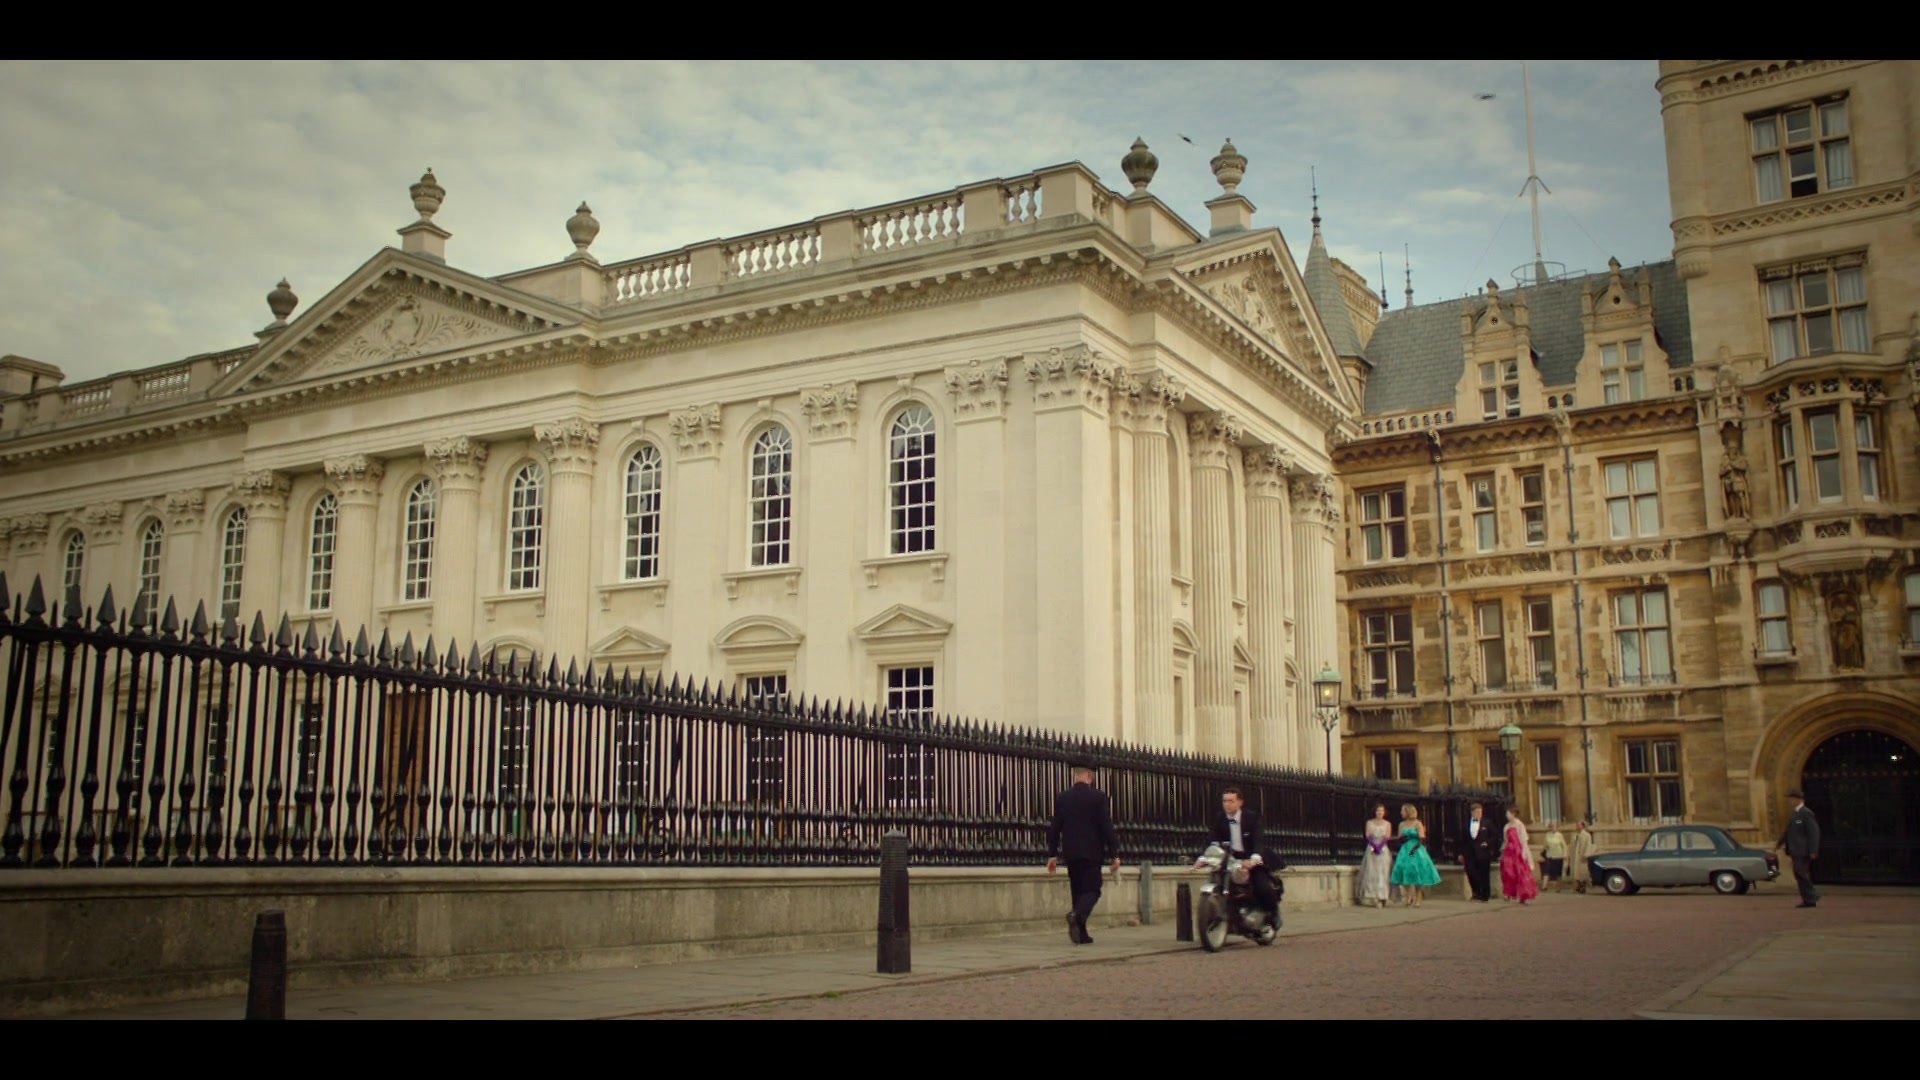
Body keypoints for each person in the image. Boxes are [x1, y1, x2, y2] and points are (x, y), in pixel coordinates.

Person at [1046, 761, 1122, 944]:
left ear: (1075, 775)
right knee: (1093, 890)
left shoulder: (1063, 797)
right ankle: (1076, 915)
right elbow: (1106, 826)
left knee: (1078, 891)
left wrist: (1052, 854)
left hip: (1070, 852)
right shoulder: (1098, 797)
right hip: (1091, 851)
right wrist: (1115, 853)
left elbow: (1055, 826)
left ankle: (1081, 933)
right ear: (1090, 775)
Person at [1205, 787, 1280, 937]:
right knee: (1218, 880)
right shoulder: (1219, 818)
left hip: (1250, 858)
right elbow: (1213, 840)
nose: (1227, 804)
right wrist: (1206, 856)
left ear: (1240, 802)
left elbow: (1259, 840)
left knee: (1262, 886)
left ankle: (1274, 913)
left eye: (1231, 801)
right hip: (1230, 859)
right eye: (1225, 801)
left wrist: (1254, 858)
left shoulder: (1252, 818)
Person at [1775, 788, 1822, 909]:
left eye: (1791, 799)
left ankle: (1811, 897)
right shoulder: (1795, 813)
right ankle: (1809, 897)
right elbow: (1788, 831)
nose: (1789, 801)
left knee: (1801, 873)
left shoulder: (1806, 813)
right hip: (1795, 850)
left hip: (1803, 850)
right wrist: (1780, 842)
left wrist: (1813, 850)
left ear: (1797, 799)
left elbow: (1814, 833)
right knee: (1799, 874)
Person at [1388, 803, 1441, 905]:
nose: (1401, 813)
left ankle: (1419, 896)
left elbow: (1422, 838)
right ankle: (1409, 895)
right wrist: (1401, 839)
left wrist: (1414, 849)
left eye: (1403, 811)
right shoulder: (1401, 824)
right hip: (1405, 850)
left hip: (1415, 850)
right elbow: (1399, 838)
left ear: (1408, 811)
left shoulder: (1417, 823)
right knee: (1404, 869)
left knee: (1416, 870)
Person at [1459, 802, 1498, 901]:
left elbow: (1494, 836)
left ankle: (1485, 895)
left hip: (1483, 852)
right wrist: (1461, 853)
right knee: (1471, 872)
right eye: (1477, 812)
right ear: (1472, 812)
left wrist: (1487, 843)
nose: (1479, 814)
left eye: (1480, 812)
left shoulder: (1487, 823)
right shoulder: (1466, 823)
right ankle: (1476, 892)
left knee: (1484, 874)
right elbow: (1461, 840)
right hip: (1470, 853)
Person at [1501, 808, 1540, 904]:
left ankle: (1524, 895)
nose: (1507, 816)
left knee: (1521, 873)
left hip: (1518, 851)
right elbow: (1505, 840)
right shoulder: (1506, 827)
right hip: (1509, 852)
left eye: (1508, 814)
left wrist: (1524, 851)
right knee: (1508, 872)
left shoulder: (1519, 824)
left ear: (1513, 814)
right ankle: (1509, 893)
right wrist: (1503, 851)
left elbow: (1523, 839)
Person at [1359, 803, 1394, 909]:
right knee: (1372, 872)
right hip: (1372, 848)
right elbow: (1368, 835)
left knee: (1383, 873)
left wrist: (1380, 846)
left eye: (1382, 811)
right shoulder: (1370, 822)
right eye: (1378, 810)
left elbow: (1387, 836)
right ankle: (1372, 895)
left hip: (1383, 849)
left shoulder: (1387, 824)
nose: (1380, 813)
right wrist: (1374, 845)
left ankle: (1382, 896)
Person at [1568, 820, 1595, 894]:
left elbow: (1588, 845)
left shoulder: (1587, 835)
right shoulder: (1574, 835)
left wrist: (1587, 854)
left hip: (1582, 855)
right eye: (1576, 825)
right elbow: (1571, 845)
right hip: (1575, 855)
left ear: (1582, 826)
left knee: (1583, 872)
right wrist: (1570, 854)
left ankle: (1583, 887)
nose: (1577, 826)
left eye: (1578, 825)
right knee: (1576, 873)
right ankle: (1578, 886)